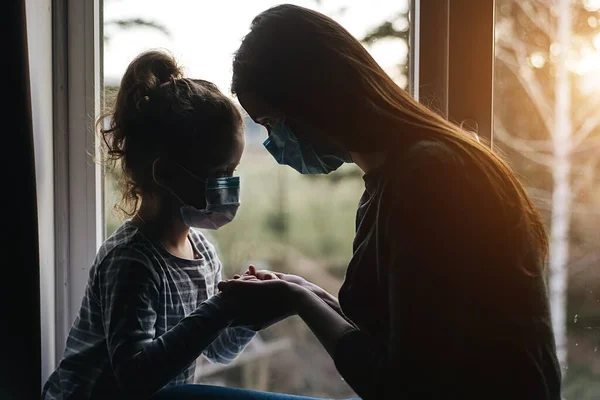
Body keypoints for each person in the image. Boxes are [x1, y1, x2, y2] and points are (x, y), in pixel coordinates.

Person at [217, 4, 563, 400]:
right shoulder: (392, 181)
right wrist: (303, 291)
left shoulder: (430, 177)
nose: (274, 143)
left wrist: (297, 300)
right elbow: (399, 330)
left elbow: (404, 385)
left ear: (312, 101)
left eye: (271, 123)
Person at [42, 49, 264, 399]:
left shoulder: (203, 252)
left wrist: (254, 313)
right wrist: (220, 309)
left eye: (233, 172)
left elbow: (218, 349)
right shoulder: (131, 261)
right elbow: (135, 378)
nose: (229, 185)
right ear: (166, 174)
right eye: (219, 173)